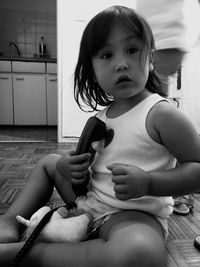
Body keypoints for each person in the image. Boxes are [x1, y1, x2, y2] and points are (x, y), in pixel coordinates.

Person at [1, 5, 200, 267]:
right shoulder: (101, 118)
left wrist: (150, 183)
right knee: (48, 162)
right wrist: (69, 167)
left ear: (150, 58)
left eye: (132, 50)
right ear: (92, 70)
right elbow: (89, 168)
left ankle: (26, 254)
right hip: (88, 201)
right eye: (107, 55)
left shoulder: (161, 114)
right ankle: (9, 222)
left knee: (140, 252)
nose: (121, 63)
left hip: (131, 216)